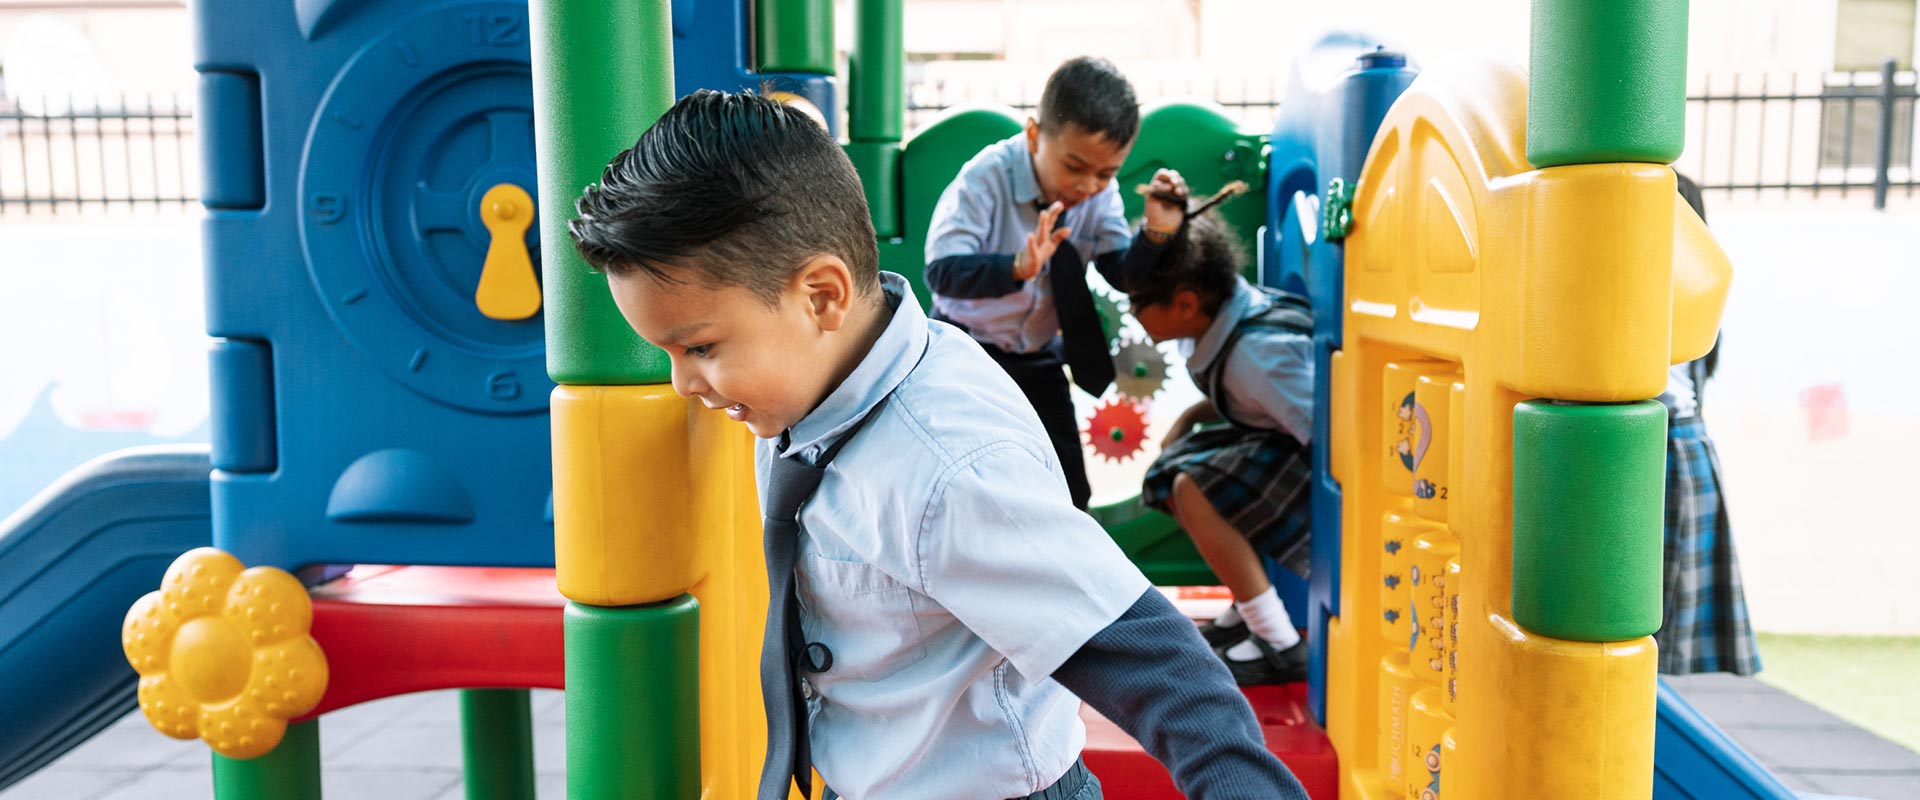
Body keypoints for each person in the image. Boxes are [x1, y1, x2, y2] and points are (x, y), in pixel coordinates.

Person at [569, 89, 1306, 800]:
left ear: (822, 295)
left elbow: (1162, 668)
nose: (683, 385)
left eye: (698, 347)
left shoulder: (948, 470)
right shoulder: (809, 383)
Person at [923, 55, 1147, 510]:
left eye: (1106, 173)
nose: (1088, 186)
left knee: (1069, 490)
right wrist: (1017, 267)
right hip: (966, 349)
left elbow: (1119, 270)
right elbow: (942, 273)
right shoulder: (986, 179)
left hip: (1036, 354)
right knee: (963, 481)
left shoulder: (1100, 195)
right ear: (1033, 136)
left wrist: (1159, 237)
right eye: (1075, 166)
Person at [1123, 181, 1315, 686]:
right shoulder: (1223, 325)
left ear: (1185, 303)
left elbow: (1329, 428)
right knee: (1176, 471)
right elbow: (1245, 395)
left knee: (1194, 485)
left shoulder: (1258, 356)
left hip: (1331, 470)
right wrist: (1189, 417)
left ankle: (1278, 641)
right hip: (1288, 443)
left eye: (1138, 303)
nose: (1131, 315)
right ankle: (1250, 607)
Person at [1656, 173, 1760, 675]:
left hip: (1666, 447)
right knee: (1663, 621)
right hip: (1684, 442)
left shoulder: (1665, 285)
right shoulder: (1700, 284)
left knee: (1655, 622)